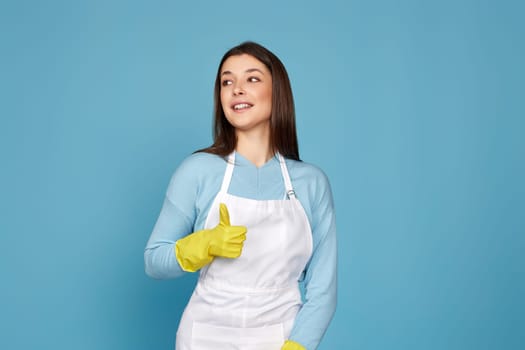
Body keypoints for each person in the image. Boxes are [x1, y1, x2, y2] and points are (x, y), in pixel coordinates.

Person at [144, 41, 337, 350]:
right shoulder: (197, 171)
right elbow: (154, 261)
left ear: (278, 92)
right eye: (227, 81)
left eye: (252, 79)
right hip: (205, 336)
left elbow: (323, 290)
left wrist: (297, 346)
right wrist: (202, 245)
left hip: (279, 335)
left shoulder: (310, 183)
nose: (237, 89)